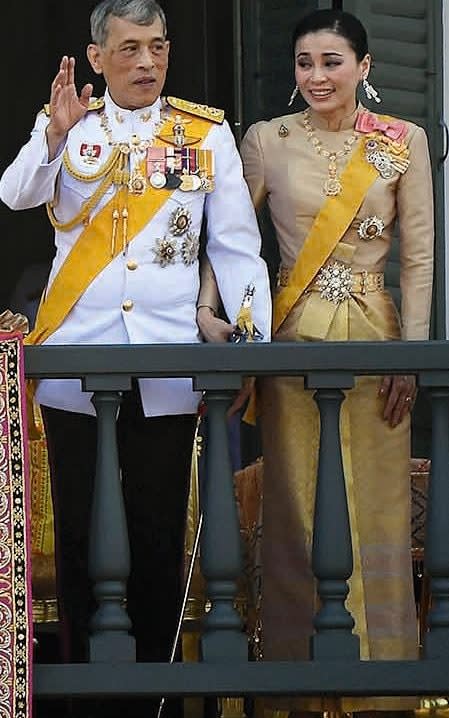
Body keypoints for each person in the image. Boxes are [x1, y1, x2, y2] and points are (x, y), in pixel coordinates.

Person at [0, 1, 271, 716]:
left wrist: (245, 343)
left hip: (166, 365)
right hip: (75, 363)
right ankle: (92, 697)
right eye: (128, 49)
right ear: (97, 58)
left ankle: (154, 696)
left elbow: (236, 248)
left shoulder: (203, 133)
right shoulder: (69, 128)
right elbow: (16, 193)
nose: (145, 62)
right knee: (86, 532)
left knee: (156, 533)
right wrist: (51, 137)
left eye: (156, 47)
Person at [238, 8, 433, 716]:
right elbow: (232, 239)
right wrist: (217, 312)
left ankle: (381, 690)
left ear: (364, 67)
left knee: (377, 515)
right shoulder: (265, 140)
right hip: (292, 345)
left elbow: (416, 258)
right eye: (303, 63)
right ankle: (298, 687)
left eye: (330, 62)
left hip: (377, 345)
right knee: (296, 513)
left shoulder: (401, 142)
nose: (315, 76)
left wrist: (411, 351)